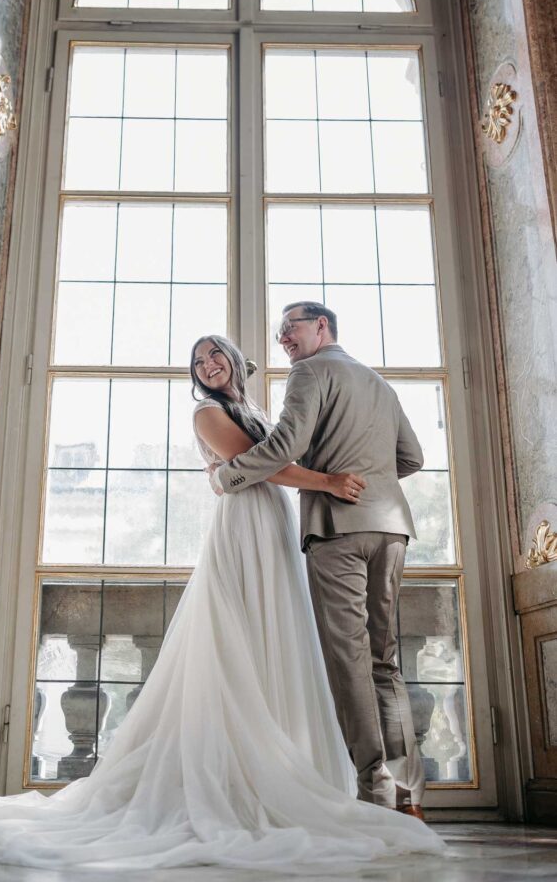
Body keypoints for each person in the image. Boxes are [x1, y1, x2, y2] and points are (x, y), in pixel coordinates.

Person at [0, 334, 444, 873]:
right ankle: (240, 780)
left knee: (279, 641)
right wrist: (327, 481)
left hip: (271, 524)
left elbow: (262, 460)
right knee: (241, 641)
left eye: (215, 355)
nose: (208, 366)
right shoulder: (207, 414)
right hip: (245, 527)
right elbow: (262, 464)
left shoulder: (250, 408)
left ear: (234, 361)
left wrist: (270, 476)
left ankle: (284, 765)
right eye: (199, 362)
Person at [214, 302, 427, 818]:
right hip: (392, 528)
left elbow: (287, 443)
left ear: (322, 327)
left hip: (337, 529)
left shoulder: (309, 372)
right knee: (384, 659)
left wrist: (228, 476)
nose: (284, 338)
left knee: (349, 659)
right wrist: (370, 478)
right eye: (279, 332)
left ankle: (374, 794)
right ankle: (409, 797)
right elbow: (412, 457)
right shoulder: (378, 382)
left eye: (291, 327)